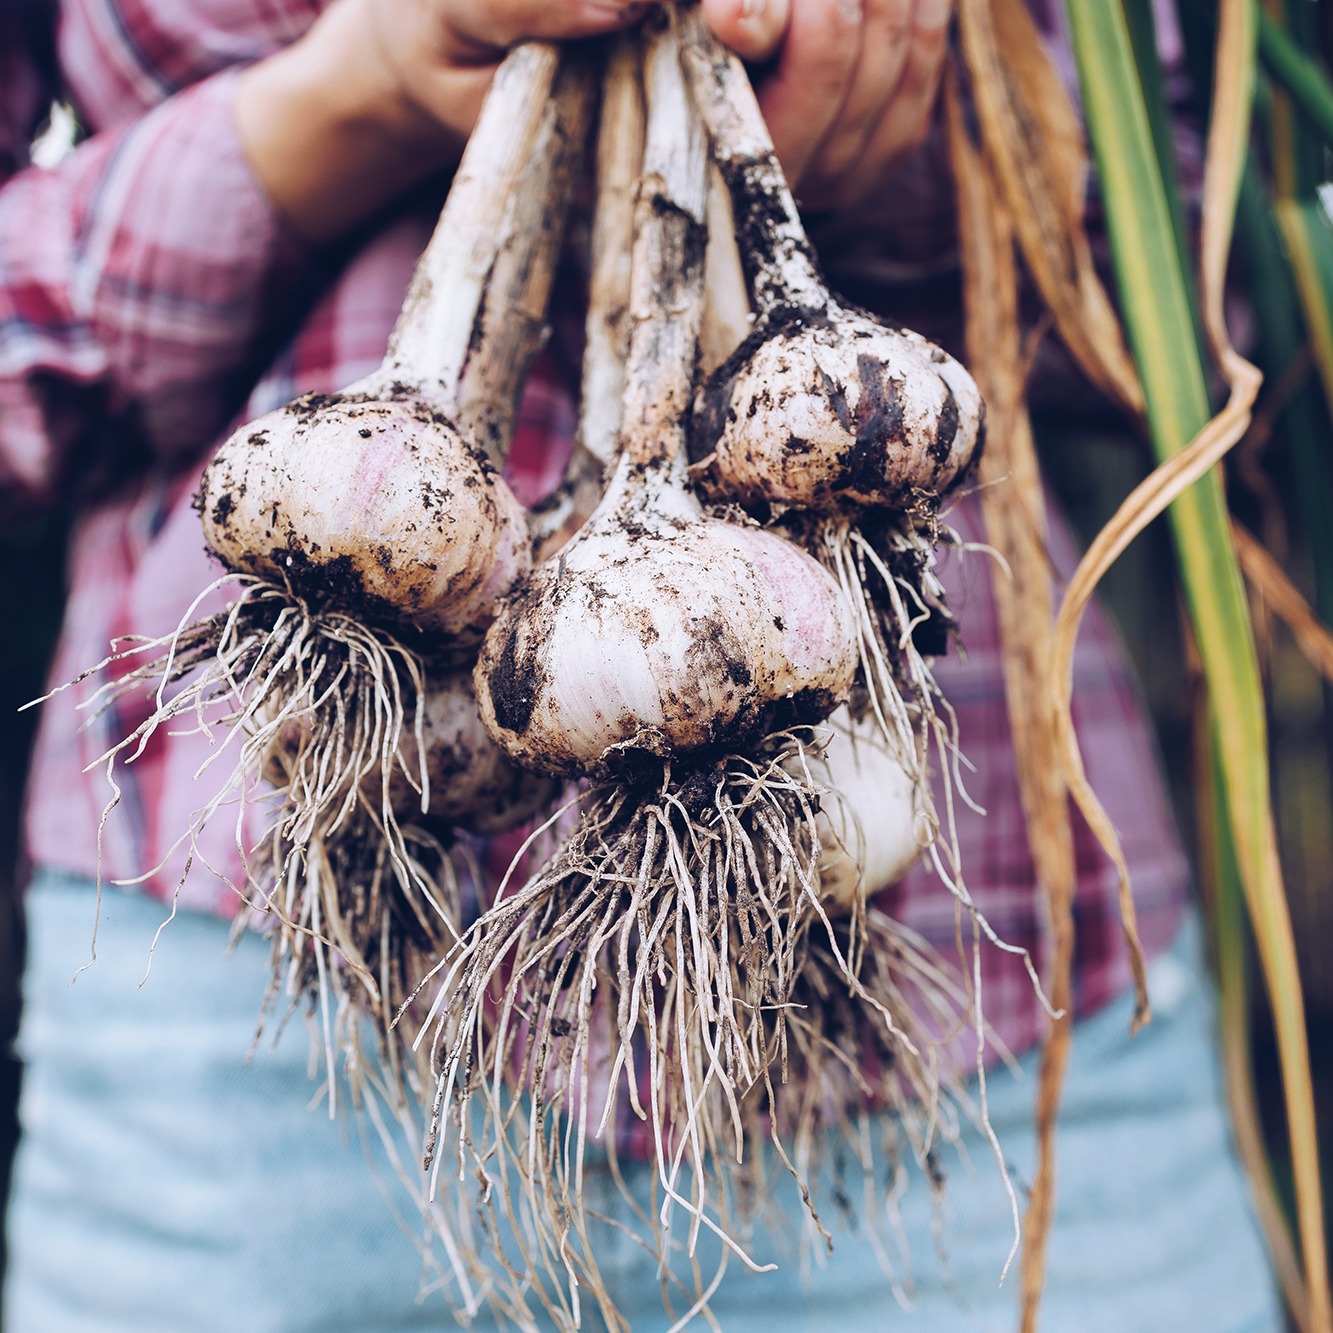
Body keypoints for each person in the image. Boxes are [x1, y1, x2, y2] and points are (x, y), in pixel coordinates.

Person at [0, 0, 1282, 1328]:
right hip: (244, 982)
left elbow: (1212, 302)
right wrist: (353, 95)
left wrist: (894, 154)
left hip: (979, 990)